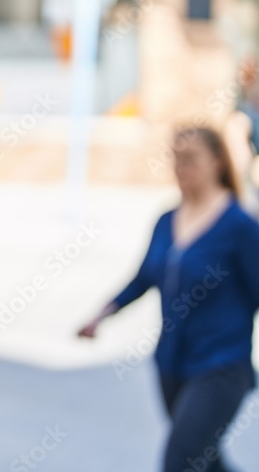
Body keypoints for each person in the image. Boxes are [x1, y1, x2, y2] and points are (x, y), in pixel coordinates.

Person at [78, 125, 259, 472]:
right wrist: (104, 313)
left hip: (222, 365)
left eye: (190, 159)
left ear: (217, 162)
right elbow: (144, 277)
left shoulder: (240, 226)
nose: (181, 169)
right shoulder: (166, 221)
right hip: (171, 363)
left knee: (180, 459)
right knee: (205, 458)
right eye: (176, 160)